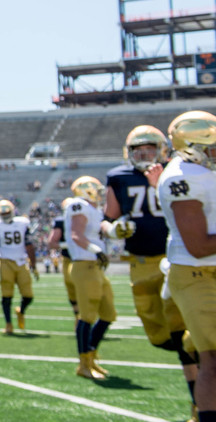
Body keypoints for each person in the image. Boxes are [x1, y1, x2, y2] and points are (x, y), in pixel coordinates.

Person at [106, 125, 198, 411]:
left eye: (150, 148)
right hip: (142, 264)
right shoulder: (118, 177)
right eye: (138, 150)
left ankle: (199, 404)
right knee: (159, 335)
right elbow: (106, 218)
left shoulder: (177, 170)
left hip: (176, 260)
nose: (145, 154)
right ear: (129, 153)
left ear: (163, 149)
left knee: (185, 335)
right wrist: (113, 230)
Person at [158, 111, 216, 422]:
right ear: (191, 146)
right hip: (196, 273)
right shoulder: (182, 177)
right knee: (213, 359)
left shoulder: (202, 172)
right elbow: (199, 245)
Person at [65, 176, 117, 379]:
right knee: (86, 317)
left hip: (94, 266)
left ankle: (92, 355)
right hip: (83, 264)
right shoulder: (78, 205)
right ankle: (84, 363)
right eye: (95, 188)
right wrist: (96, 250)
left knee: (108, 313)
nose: (98, 191)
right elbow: (77, 234)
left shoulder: (94, 209)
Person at [0, 199, 37, 334]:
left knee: (28, 296)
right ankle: (8, 324)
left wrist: (34, 265)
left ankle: (21, 311)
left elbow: (29, 246)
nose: (5, 214)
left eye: (7, 211)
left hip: (21, 261)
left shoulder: (22, 223)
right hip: (5, 262)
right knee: (6, 296)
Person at [46, 198, 79, 318]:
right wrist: (68, 244)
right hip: (69, 258)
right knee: (71, 288)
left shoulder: (86, 218)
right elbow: (51, 243)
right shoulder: (61, 221)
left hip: (85, 258)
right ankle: (78, 317)